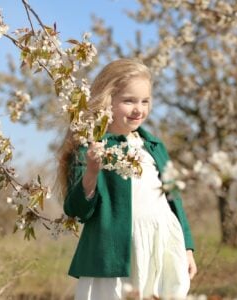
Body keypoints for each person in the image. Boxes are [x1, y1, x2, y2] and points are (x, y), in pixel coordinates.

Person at [56, 58, 197, 299]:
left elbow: (174, 199)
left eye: (145, 101)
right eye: (129, 101)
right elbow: (78, 210)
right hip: (116, 254)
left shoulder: (154, 145)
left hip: (162, 245)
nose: (138, 109)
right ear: (106, 100)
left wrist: (187, 247)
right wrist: (91, 171)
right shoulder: (89, 148)